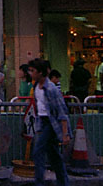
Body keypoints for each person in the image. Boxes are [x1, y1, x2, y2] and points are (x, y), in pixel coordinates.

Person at [29, 58, 70, 186]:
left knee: (38, 151)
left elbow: (61, 111)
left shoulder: (51, 89)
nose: (30, 73)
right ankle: (63, 182)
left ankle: (39, 182)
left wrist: (65, 133)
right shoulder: (36, 86)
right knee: (54, 156)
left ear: (40, 72)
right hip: (43, 121)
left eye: (33, 70)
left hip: (51, 123)